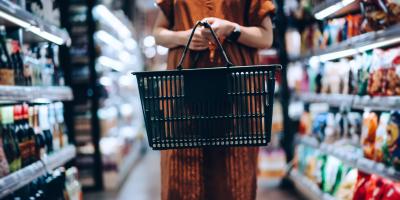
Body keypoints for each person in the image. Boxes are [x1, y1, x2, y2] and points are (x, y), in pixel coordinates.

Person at [153, 0, 275, 199]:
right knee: (181, 172)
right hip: (183, 99)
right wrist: (184, 37)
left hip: (237, 96)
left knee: (234, 175)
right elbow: (158, 33)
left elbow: (266, 37)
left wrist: (232, 29)